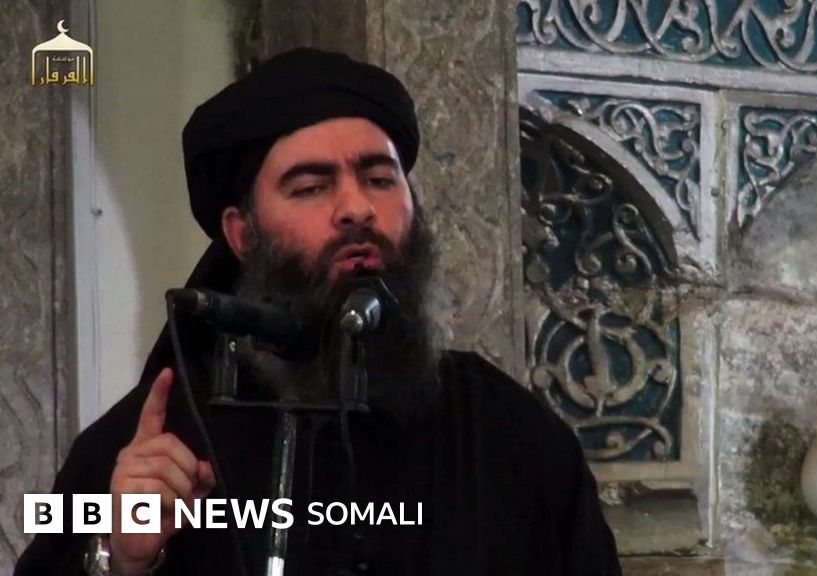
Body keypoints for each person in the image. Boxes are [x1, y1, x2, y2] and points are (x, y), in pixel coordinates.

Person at [15, 48, 620, 576]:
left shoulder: (510, 434)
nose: (356, 207)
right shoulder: (154, 443)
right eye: (311, 187)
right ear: (241, 233)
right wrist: (118, 558)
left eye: (379, 179)